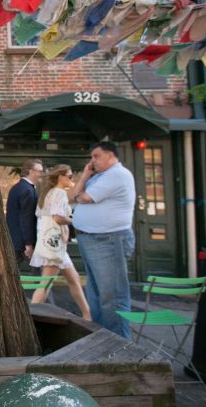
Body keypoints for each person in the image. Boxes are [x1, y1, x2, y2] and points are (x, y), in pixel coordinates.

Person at [68, 142, 135, 339]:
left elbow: (85, 198)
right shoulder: (98, 176)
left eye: (96, 156)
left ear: (111, 155)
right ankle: (99, 338)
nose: (92, 161)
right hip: (93, 240)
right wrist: (85, 176)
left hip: (107, 240)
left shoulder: (117, 174)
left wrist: (81, 192)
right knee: (96, 294)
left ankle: (118, 344)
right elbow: (74, 196)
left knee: (112, 296)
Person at [29, 164, 91, 321]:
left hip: (53, 245)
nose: (71, 179)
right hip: (54, 246)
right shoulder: (59, 193)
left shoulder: (48, 193)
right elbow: (57, 218)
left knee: (73, 279)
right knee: (45, 285)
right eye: (69, 176)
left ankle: (87, 315)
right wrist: (74, 219)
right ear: (60, 177)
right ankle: (30, 318)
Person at [6, 159, 43, 273]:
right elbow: (26, 219)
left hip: (15, 238)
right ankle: (42, 291)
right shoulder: (27, 190)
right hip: (22, 241)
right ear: (31, 171)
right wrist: (28, 243)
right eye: (40, 171)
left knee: (12, 272)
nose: (42, 174)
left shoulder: (17, 187)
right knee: (38, 274)